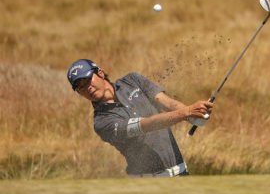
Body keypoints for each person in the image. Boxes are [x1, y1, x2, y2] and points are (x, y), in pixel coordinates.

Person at [67, 59, 213, 177]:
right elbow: (145, 125)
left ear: (100, 73)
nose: (87, 88)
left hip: (181, 172)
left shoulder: (132, 80)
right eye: (80, 87)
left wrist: (195, 116)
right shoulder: (102, 122)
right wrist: (186, 112)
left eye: (87, 80)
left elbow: (168, 103)